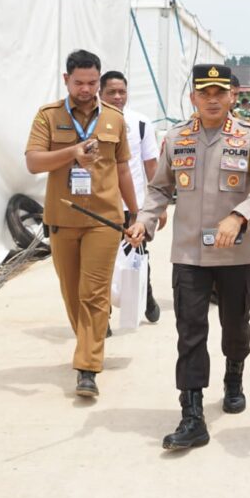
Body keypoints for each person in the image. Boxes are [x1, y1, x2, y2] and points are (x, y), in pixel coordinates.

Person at [125, 64, 250, 450]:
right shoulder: (177, 138)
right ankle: (192, 414)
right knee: (190, 333)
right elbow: (160, 188)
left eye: (219, 92)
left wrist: (238, 216)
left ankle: (234, 374)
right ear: (193, 97)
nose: (212, 99)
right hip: (189, 253)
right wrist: (145, 219)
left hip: (235, 254)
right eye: (204, 92)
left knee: (235, 325)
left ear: (232, 96)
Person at [25, 49, 137, 399]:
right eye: (79, 83)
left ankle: (87, 367)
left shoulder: (115, 119)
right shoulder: (48, 116)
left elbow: (121, 169)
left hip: (104, 218)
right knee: (72, 293)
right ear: (66, 80)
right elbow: (33, 163)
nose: (86, 89)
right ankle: (91, 336)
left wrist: (138, 213)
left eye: (92, 83)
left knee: (93, 292)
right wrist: (71, 152)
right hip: (62, 218)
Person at [99, 70, 162, 323]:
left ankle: (144, 299)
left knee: (136, 256)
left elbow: (151, 165)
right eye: (111, 92)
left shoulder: (140, 123)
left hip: (133, 206)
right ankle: (103, 314)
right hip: (101, 206)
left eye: (121, 92)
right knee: (100, 262)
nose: (117, 97)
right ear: (100, 93)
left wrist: (159, 205)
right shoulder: (91, 123)